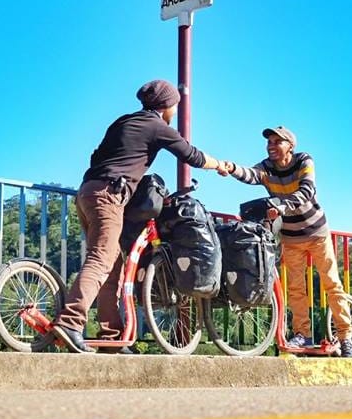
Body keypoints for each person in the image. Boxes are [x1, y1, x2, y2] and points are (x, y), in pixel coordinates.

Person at [47, 79, 229, 354]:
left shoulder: (123, 121)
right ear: (167, 106)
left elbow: (97, 155)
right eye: (174, 107)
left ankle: (112, 337)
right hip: (109, 195)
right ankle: (71, 321)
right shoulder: (157, 126)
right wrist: (220, 165)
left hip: (87, 192)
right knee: (101, 259)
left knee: (113, 268)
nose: (174, 113)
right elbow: (190, 155)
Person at [219, 126, 352, 357]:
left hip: (316, 233)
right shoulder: (267, 167)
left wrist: (281, 206)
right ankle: (303, 333)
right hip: (291, 237)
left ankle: (345, 337)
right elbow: (252, 174)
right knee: (295, 289)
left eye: (276, 142)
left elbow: (307, 190)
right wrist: (231, 168)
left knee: (331, 283)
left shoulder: (304, 160)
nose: (270, 146)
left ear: (290, 146)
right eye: (269, 142)